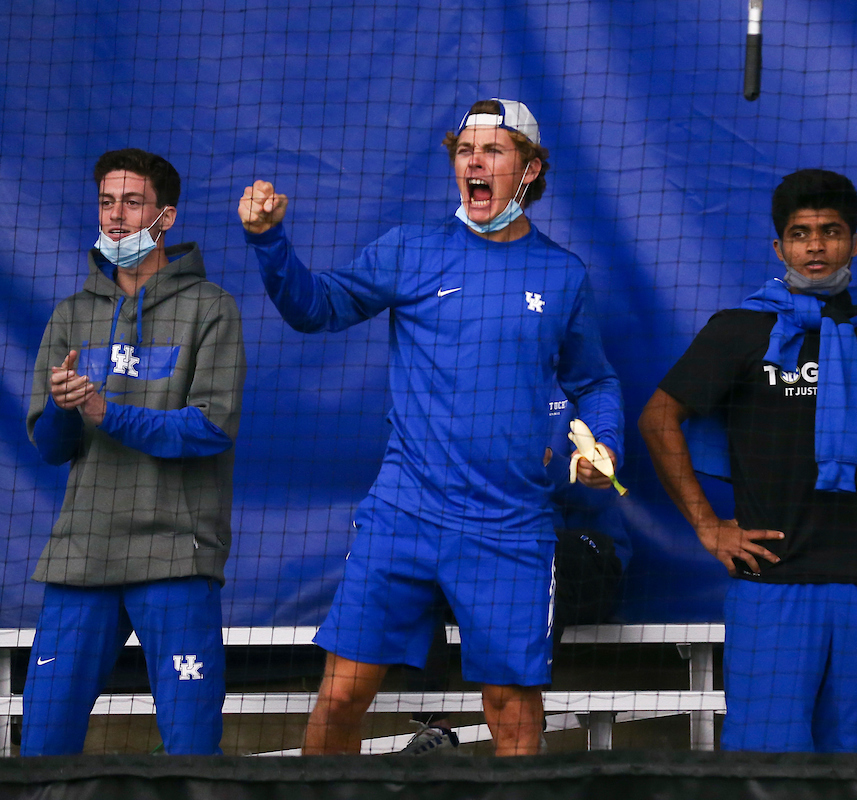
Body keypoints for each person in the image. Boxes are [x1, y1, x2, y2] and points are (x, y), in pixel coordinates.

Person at [238, 99, 624, 757]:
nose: (474, 161)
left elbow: (595, 382)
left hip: (510, 526)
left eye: (493, 150)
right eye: (464, 150)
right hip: (404, 514)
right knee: (339, 698)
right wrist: (270, 241)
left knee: (512, 716)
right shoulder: (408, 251)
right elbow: (315, 309)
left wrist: (604, 442)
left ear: (529, 171)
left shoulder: (563, 275)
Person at [639, 169, 857, 754]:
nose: (815, 245)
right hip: (773, 588)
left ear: (855, 242)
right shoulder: (742, 330)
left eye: (831, 231)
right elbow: (658, 417)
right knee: (767, 768)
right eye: (800, 233)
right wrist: (709, 526)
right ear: (778, 246)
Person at [24, 148, 246, 755]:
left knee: (192, 752)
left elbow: (209, 428)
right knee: (41, 750)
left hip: (176, 555)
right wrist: (65, 408)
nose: (115, 216)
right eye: (106, 202)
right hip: (81, 558)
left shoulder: (211, 309)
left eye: (132, 202)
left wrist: (105, 411)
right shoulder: (71, 315)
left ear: (165, 216)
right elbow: (49, 447)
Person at [399, 391, 631, 755]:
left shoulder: (586, 391)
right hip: (483, 553)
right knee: (413, 565)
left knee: (527, 563)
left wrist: (547, 462)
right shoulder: (465, 391)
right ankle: (435, 729)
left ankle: (525, 728)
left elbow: (595, 498)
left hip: (583, 553)